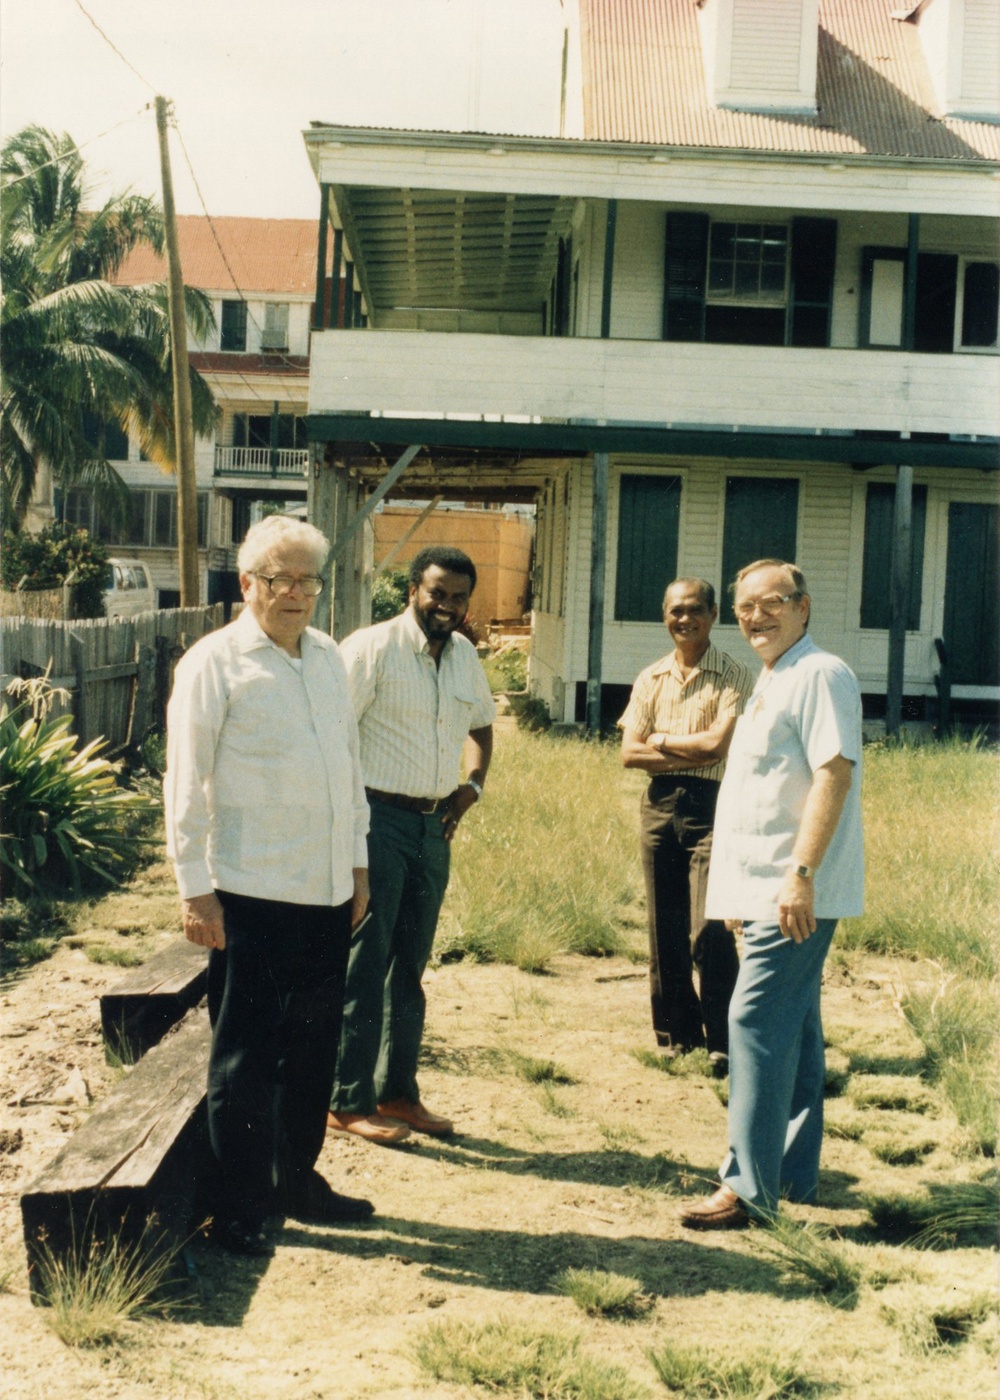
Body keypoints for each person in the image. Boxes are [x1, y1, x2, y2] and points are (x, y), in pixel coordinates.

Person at [164, 515, 374, 1255]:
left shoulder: (325, 659)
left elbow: (346, 769)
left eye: (307, 580)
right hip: (249, 893)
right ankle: (240, 1206)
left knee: (314, 1047)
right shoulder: (213, 664)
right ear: (247, 583)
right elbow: (184, 784)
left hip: (323, 893)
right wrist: (195, 889)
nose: (294, 594)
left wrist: (356, 864)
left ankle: (298, 1181)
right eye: (277, 579)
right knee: (245, 1057)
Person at [681, 559, 864, 1230]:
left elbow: (833, 775)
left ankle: (746, 1189)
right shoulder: (772, 678)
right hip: (763, 892)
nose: (756, 616)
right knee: (796, 1033)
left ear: (805, 607)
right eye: (745, 607)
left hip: (794, 894)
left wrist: (801, 876)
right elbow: (759, 799)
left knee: (753, 1024)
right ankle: (789, 1176)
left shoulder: (821, 674)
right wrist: (737, 890)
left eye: (772, 603)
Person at [327, 546, 495, 1146]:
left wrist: (470, 786)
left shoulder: (465, 656)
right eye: (437, 593)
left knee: (411, 967)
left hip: (432, 827)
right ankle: (347, 1100)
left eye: (458, 597)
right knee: (366, 961)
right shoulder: (370, 649)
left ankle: (398, 1092)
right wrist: (346, 828)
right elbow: (333, 740)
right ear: (412, 591)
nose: (447, 606)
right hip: (374, 821)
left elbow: (480, 723)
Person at [619, 579, 753, 1071]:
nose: (684, 619)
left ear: (713, 614)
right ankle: (677, 1033)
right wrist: (681, 745)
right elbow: (628, 754)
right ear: (664, 615)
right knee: (664, 926)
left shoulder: (735, 675)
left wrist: (658, 738)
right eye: (675, 610)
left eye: (695, 610)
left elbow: (719, 747)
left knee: (709, 926)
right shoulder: (650, 678)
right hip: (658, 807)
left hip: (714, 806)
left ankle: (723, 1036)